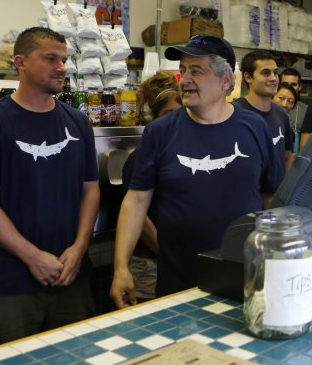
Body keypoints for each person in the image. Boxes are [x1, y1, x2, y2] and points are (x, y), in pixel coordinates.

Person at [110, 35, 282, 308]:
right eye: (183, 70)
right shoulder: (160, 132)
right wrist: (121, 267)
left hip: (245, 276)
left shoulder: (256, 127)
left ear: (226, 81)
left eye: (196, 71)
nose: (185, 79)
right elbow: (136, 201)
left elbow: (271, 198)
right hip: (178, 282)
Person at [0, 26, 100, 347]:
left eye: (64, 59)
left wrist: (79, 249)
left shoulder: (77, 122)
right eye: (50, 58)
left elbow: (90, 189)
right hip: (8, 285)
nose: (61, 67)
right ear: (20, 62)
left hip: (71, 278)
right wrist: (34, 257)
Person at [120, 71, 182, 302]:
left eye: (180, 113)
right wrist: (168, 254)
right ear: (154, 118)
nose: (174, 120)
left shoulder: (182, 153)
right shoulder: (140, 158)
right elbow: (139, 216)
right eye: (168, 114)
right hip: (150, 263)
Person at [232, 51, 294, 173]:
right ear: (248, 77)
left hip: (277, 192)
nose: (273, 78)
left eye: (275, 73)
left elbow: (287, 157)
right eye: (266, 73)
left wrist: (284, 190)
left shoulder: (281, 114)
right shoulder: (232, 113)